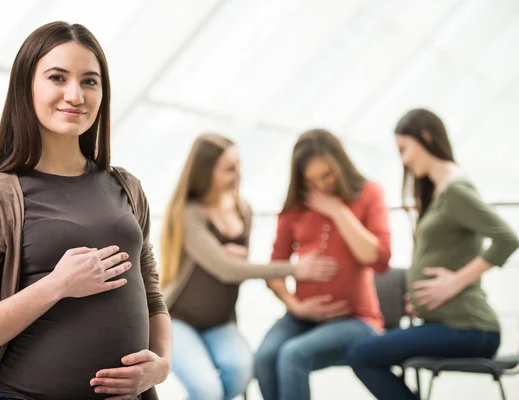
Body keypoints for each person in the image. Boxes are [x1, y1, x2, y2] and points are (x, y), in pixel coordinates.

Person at [0, 22, 171, 400]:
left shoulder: (127, 187)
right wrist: (57, 284)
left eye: (90, 81)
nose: (75, 94)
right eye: (57, 77)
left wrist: (161, 365)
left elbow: (152, 296)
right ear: (26, 86)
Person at [347, 108, 519, 399]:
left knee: (362, 354)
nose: (403, 160)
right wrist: (423, 302)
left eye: (405, 149)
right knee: (366, 351)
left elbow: (507, 238)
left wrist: (454, 282)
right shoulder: (440, 191)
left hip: (471, 328)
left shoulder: (455, 190)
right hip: (449, 325)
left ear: (425, 137)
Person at [159, 133, 332, 400]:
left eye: (238, 165)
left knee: (241, 371)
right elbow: (227, 270)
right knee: (207, 390)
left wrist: (227, 258)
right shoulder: (189, 213)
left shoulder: (243, 210)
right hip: (178, 321)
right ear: (207, 172)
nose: (238, 174)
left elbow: (234, 272)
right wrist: (295, 268)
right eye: (229, 169)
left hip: (220, 322)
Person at [254, 129, 392, 400]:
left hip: (357, 320)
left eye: (326, 175)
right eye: (312, 180)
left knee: (293, 354)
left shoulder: (369, 193)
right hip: (302, 317)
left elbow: (379, 259)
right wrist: (297, 306)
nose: (321, 186)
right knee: (265, 357)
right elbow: (274, 272)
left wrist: (338, 211)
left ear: (341, 165)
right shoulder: (296, 207)